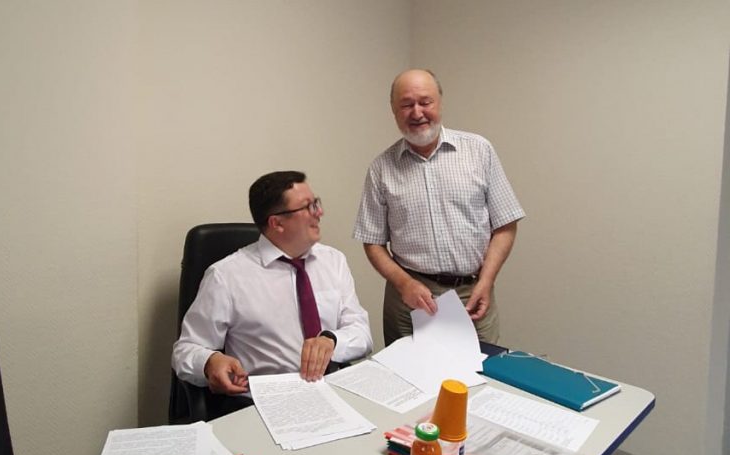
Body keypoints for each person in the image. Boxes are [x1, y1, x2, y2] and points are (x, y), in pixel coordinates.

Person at [173, 170, 372, 411]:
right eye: (308, 207)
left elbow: (362, 333)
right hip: (265, 405)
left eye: (316, 203)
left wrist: (332, 341)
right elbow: (185, 351)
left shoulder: (333, 261)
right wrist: (209, 361)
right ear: (277, 223)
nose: (319, 213)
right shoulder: (226, 276)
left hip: (332, 395)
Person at [353, 69, 525, 345]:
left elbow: (505, 224)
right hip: (409, 297)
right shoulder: (381, 169)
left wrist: (487, 281)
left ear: (440, 103)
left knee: (483, 369)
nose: (417, 112)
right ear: (394, 111)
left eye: (425, 102)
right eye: (406, 105)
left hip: (473, 293)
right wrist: (404, 283)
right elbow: (372, 242)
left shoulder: (479, 151)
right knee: (407, 371)